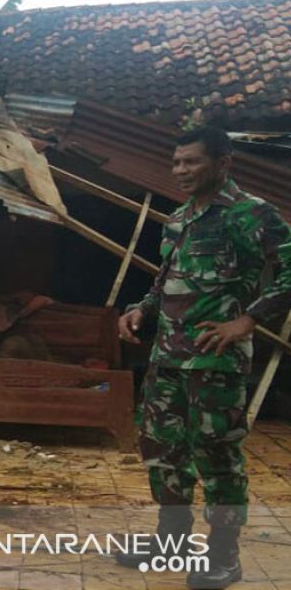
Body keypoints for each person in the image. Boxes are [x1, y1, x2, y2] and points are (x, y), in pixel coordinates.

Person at [116, 126, 291, 588]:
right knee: (163, 452)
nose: (181, 171)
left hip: (214, 364)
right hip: (167, 359)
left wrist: (248, 321)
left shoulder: (250, 215)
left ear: (223, 163)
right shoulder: (178, 219)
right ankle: (170, 544)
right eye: (176, 163)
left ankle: (223, 555)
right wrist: (141, 309)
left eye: (191, 161)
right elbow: (165, 280)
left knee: (217, 458)